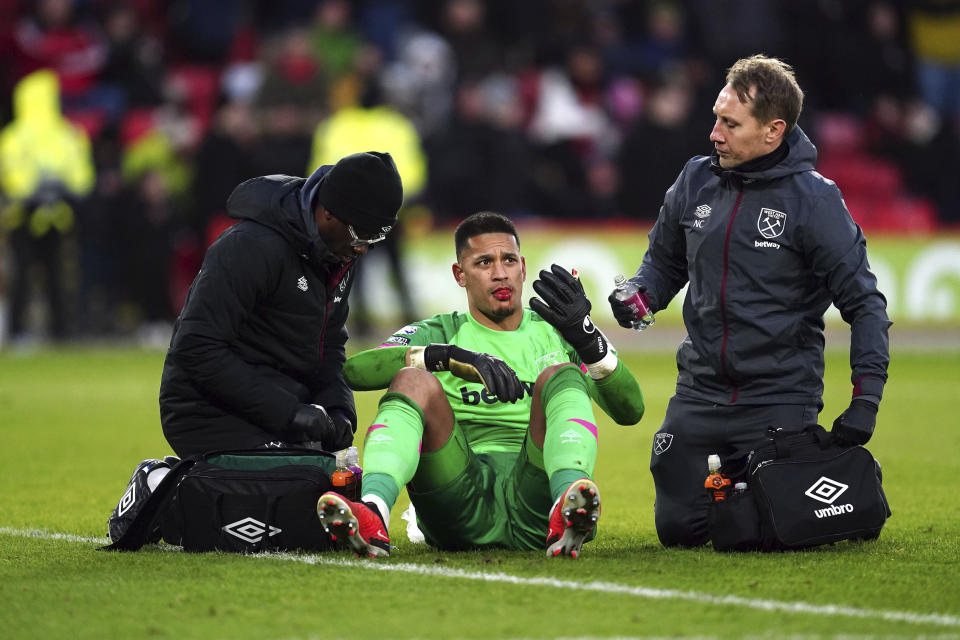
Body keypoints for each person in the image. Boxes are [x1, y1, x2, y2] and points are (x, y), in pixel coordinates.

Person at [607, 55, 891, 547]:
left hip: (777, 396)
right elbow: (664, 265)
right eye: (716, 118)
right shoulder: (695, 179)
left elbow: (865, 304)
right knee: (679, 532)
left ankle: (818, 479)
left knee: (757, 529)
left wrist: (865, 399)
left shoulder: (814, 201)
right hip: (699, 393)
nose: (714, 134)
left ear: (772, 131)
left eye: (729, 124)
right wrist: (639, 297)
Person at [106, 151, 402, 543]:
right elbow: (197, 350)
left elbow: (329, 344)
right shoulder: (249, 247)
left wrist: (338, 405)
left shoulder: (338, 251)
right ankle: (161, 487)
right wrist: (291, 414)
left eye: (375, 238)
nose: (364, 249)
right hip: (207, 408)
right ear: (329, 214)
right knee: (306, 494)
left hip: (281, 409)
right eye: (362, 236)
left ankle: (230, 479)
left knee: (335, 485)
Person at [314, 211, 646, 558]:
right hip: (457, 497)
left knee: (560, 374)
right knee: (411, 378)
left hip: (536, 495)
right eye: (484, 262)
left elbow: (631, 410)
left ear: (524, 268)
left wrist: (589, 342)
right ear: (460, 274)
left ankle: (566, 506)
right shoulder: (440, 332)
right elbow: (356, 371)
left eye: (509, 260)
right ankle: (373, 513)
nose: (500, 272)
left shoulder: (560, 333)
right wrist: (447, 357)